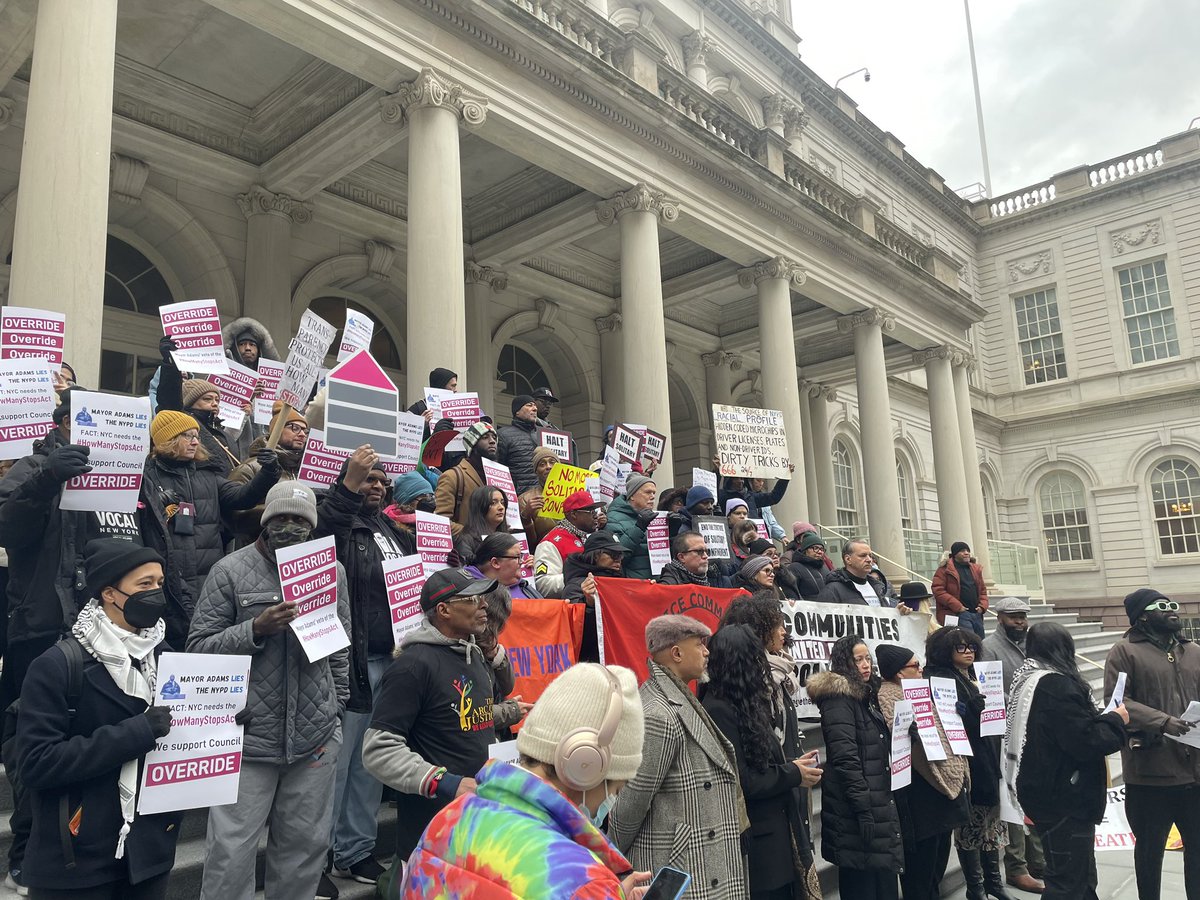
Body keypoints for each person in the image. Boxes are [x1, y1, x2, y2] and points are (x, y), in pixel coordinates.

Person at [187, 482, 350, 900]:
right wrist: (255, 629)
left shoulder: (332, 572)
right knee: (230, 852)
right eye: (281, 518)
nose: (290, 526)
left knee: (305, 849)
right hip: (247, 740)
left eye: (300, 520)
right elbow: (198, 647)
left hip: (313, 738)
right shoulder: (229, 570)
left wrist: (336, 708)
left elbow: (340, 645)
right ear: (265, 520)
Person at [16, 540, 181, 899]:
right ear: (109, 593)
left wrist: (221, 721)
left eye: (159, 582)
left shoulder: (166, 656)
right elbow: (36, 764)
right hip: (77, 861)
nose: (156, 593)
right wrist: (134, 733)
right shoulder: (57, 666)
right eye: (144, 585)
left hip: (148, 856)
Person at [398, 663, 649, 899]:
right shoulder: (584, 882)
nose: (612, 801)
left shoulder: (446, 820)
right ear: (585, 767)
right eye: (617, 788)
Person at [316, 449, 416, 891]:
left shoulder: (392, 530)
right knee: (337, 767)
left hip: (391, 660)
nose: (376, 485)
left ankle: (354, 850)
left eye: (381, 481)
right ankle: (317, 855)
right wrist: (347, 487)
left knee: (371, 763)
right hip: (353, 662)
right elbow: (320, 535)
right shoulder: (339, 524)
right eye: (367, 479)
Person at [361, 569, 500, 877]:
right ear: (444, 610)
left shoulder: (473, 653)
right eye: (473, 599)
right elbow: (377, 751)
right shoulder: (412, 666)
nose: (484, 606)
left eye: (482, 598)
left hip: (478, 828)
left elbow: (470, 719)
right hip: (431, 841)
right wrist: (447, 782)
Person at [608, 616, 747, 899]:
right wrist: (614, 857)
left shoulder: (676, 696)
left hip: (696, 864)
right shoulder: (660, 715)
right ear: (676, 653)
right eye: (699, 644)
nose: (707, 652)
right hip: (682, 867)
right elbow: (631, 805)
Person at [139, 410, 280, 650]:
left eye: (196, 435)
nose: (195, 441)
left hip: (208, 577)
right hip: (168, 579)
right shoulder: (146, 477)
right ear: (167, 440)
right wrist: (156, 501)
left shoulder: (207, 475)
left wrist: (268, 473)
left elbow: (241, 497)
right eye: (187, 436)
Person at [1006, 623, 1128, 900]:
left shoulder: (1029, 678)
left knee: (1079, 877)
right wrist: (1115, 720)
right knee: (1068, 882)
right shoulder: (1056, 685)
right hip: (1063, 797)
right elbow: (1086, 742)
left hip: (1046, 791)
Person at [703, 624, 822, 900]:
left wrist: (792, 764)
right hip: (761, 850)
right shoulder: (719, 710)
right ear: (742, 663)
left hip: (775, 840)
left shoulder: (743, 702)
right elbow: (744, 781)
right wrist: (793, 773)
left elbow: (761, 763)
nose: (763, 666)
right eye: (757, 659)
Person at [1104, 588, 1200, 900]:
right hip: (1150, 772)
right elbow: (1117, 702)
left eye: (1173, 604)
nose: (1172, 609)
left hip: (1195, 772)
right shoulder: (1124, 652)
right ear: (1142, 616)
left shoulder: (1194, 650)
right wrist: (1162, 721)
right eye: (1161, 606)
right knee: (1149, 852)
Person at [806, 634, 902, 899]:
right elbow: (845, 757)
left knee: (880, 878)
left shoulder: (868, 694)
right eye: (858, 659)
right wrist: (863, 807)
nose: (865, 664)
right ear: (844, 662)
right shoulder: (838, 698)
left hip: (875, 799)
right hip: (855, 806)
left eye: (867, 658)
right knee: (861, 881)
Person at [876, 644, 969, 900]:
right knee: (921, 869)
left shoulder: (921, 691)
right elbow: (908, 752)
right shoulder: (888, 697)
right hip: (920, 794)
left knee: (937, 863)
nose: (921, 670)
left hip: (941, 789)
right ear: (898, 673)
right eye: (915, 666)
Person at [925, 626, 1010, 900]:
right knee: (971, 828)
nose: (969, 652)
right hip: (966, 762)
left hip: (988, 755)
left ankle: (994, 884)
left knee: (991, 825)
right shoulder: (940, 679)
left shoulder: (972, 675)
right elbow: (950, 725)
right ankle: (977, 888)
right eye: (960, 647)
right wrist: (974, 714)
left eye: (972, 646)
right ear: (945, 650)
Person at [981, 596, 1046, 894]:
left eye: (1022, 616)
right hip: (1005, 736)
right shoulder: (988, 647)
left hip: (1034, 732)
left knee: (1033, 797)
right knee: (1013, 803)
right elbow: (987, 692)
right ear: (1000, 618)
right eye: (1013, 616)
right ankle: (1017, 866)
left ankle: (1039, 861)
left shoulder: (1032, 645)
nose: (1020, 621)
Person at [226, 403, 309, 547]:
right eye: (294, 428)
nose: (302, 434)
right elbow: (233, 515)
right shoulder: (250, 468)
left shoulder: (305, 470)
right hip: (258, 551)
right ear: (276, 430)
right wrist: (283, 511)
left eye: (305, 430)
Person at [153, 343, 241, 476]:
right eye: (207, 399)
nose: (214, 403)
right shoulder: (182, 420)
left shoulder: (219, 430)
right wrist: (171, 362)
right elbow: (169, 397)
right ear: (190, 401)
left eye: (217, 400)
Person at [220, 317, 281, 460]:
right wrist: (248, 394)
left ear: (259, 349)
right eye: (242, 344)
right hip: (233, 452)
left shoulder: (271, 380)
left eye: (252, 344)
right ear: (234, 347)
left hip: (264, 452)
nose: (248, 348)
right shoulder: (222, 375)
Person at [563, 530, 628, 662]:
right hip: (592, 662)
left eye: (620, 555)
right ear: (596, 556)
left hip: (619, 656)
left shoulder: (621, 580)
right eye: (613, 554)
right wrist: (589, 605)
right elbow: (574, 632)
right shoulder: (575, 586)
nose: (618, 560)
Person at [433, 421, 497, 537]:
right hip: (466, 551)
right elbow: (440, 522)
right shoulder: (452, 477)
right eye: (485, 437)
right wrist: (472, 535)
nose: (492, 441)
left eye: (494, 437)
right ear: (472, 445)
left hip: (495, 549)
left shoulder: (499, 477)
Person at [533, 489, 601, 597]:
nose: (595, 516)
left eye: (595, 511)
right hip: (567, 608)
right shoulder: (551, 543)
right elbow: (543, 585)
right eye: (590, 512)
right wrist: (579, 577)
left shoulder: (589, 537)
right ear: (574, 514)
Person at [819, 539, 905, 609]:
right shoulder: (832, 591)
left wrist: (897, 612)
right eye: (863, 555)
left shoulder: (878, 587)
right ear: (848, 559)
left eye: (870, 556)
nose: (869, 560)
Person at [605, 472, 658, 579]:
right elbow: (617, 557)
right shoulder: (614, 518)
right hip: (634, 585)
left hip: (657, 583)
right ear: (632, 495)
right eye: (648, 492)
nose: (652, 497)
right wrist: (639, 528)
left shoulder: (654, 516)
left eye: (654, 493)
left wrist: (673, 532)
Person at [932, 542, 989, 637]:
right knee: (965, 642)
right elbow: (938, 591)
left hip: (976, 614)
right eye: (962, 551)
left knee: (980, 643)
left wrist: (982, 606)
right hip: (957, 614)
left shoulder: (975, 569)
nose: (966, 553)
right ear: (955, 554)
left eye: (968, 551)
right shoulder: (944, 570)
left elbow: (982, 590)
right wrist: (958, 607)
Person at [467, 533, 542, 599]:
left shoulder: (525, 586)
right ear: (495, 563)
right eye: (517, 557)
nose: (522, 562)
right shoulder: (469, 594)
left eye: (521, 556)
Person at [451, 485, 512, 565]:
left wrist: (525, 562)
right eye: (493, 503)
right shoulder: (465, 540)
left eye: (502, 503)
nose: (501, 507)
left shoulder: (509, 538)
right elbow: (467, 573)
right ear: (480, 507)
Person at [655, 530, 733, 588]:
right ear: (682, 557)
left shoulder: (715, 578)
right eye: (699, 551)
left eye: (706, 551)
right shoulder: (669, 585)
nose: (705, 556)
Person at [518, 446, 562, 548]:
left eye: (552, 462)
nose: (548, 466)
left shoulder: (573, 494)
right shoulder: (525, 499)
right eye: (542, 464)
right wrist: (526, 518)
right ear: (536, 471)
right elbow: (529, 544)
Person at [496, 395, 541, 494]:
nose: (535, 409)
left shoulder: (544, 434)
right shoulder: (503, 435)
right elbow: (498, 470)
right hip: (519, 499)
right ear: (517, 412)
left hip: (547, 497)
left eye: (535, 406)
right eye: (529, 405)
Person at [787, 532, 829, 599]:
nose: (820, 552)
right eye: (815, 548)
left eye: (822, 549)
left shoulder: (824, 568)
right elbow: (791, 594)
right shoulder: (794, 568)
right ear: (806, 550)